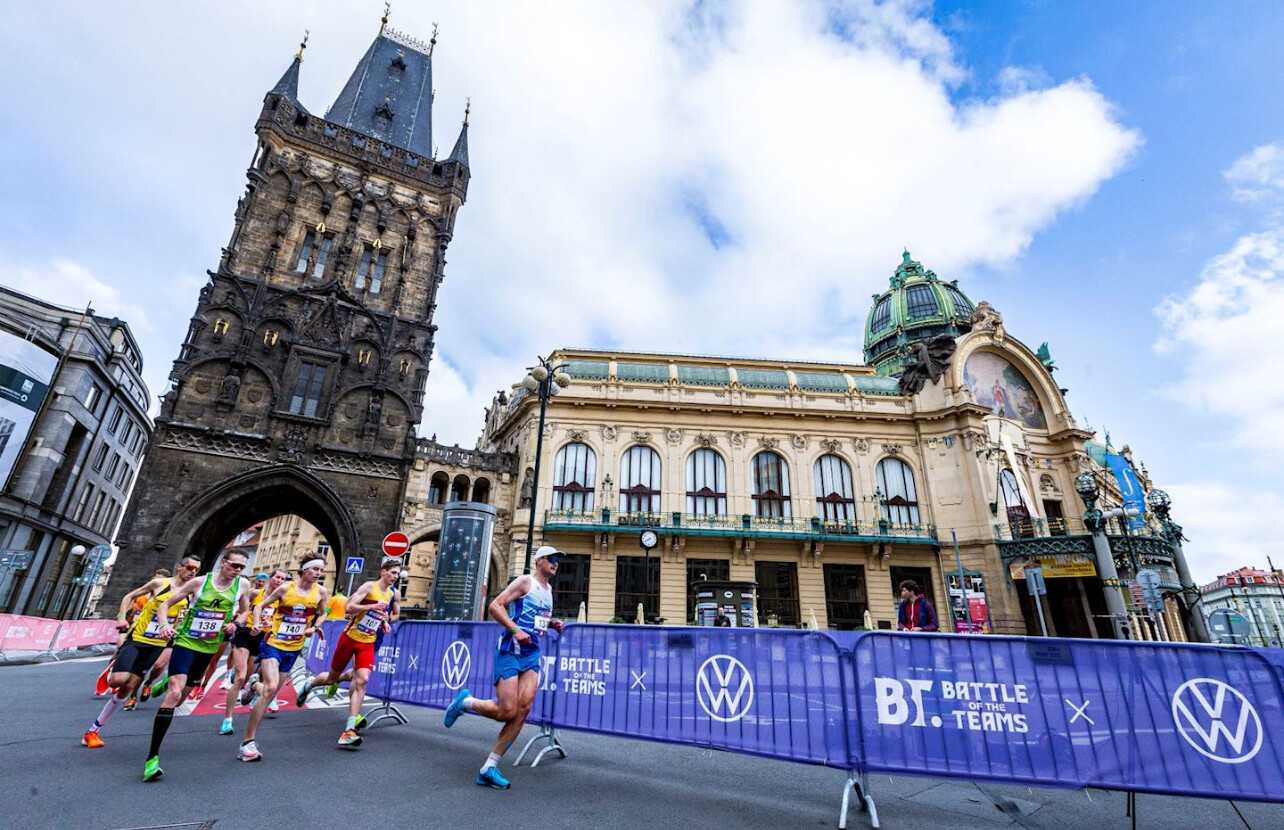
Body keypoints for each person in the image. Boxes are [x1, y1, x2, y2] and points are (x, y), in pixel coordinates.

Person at [444, 545, 563, 789]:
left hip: (532, 653)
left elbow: (535, 618)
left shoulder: (549, 590)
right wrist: (516, 630)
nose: (555, 563)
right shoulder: (525, 582)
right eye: (551, 558)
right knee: (507, 711)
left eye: (558, 560)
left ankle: (489, 766)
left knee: (524, 708)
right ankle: (465, 703)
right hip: (510, 650)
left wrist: (551, 623)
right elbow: (495, 606)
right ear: (539, 561)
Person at [142, 550, 251, 781]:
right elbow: (164, 605)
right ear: (223, 563)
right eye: (234, 565)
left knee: (181, 699)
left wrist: (235, 623)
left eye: (242, 567)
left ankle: (165, 683)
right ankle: (152, 758)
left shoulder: (242, 585)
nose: (238, 570)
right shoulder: (200, 582)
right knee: (174, 695)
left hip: (208, 648)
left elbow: (245, 612)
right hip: (185, 642)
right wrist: (164, 625)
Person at [81, 558, 200, 748]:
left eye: (197, 569)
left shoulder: (191, 592)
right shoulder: (160, 584)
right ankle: (113, 670)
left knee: (127, 688)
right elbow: (129, 596)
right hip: (138, 638)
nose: (193, 572)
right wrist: (121, 617)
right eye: (190, 567)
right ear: (179, 567)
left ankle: (93, 730)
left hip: (158, 643)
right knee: (118, 681)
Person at [296, 558, 401, 747]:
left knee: (362, 680)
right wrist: (371, 606)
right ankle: (309, 685)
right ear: (383, 571)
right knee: (331, 679)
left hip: (367, 642)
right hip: (349, 639)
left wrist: (384, 622)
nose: (395, 577)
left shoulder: (391, 593)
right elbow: (349, 607)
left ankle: (349, 730)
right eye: (393, 573)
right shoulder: (369, 587)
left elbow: (379, 615)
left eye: (398, 574)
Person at [238, 556, 329, 762]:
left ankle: (254, 686)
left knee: (269, 693)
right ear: (304, 570)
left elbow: (324, 613)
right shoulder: (286, 589)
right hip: (274, 644)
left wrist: (315, 627)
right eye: (315, 569)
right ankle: (247, 743)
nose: (318, 573)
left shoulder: (321, 592)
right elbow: (259, 606)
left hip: (294, 648)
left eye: (321, 570)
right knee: (270, 689)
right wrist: (257, 623)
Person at [219, 569, 287, 735]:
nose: (279, 581)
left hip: (263, 637)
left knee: (248, 675)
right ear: (271, 578)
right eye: (277, 577)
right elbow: (243, 607)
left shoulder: (283, 599)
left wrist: (272, 624)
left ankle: (253, 686)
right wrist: (235, 617)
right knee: (240, 678)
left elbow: (283, 618)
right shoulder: (256, 593)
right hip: (246, 633)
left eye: (282, 579)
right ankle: (227, 720)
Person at [94, 566, 174, 697]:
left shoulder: (173, 595)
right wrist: (122, 617)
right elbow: (130, 602)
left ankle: (140, 688)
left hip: (159, 634)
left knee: (155, 665)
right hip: (134, 627)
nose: (156, 582)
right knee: (119, 648)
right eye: (155, 578)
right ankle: (113, 669)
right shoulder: (144, 593)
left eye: (161, 579)